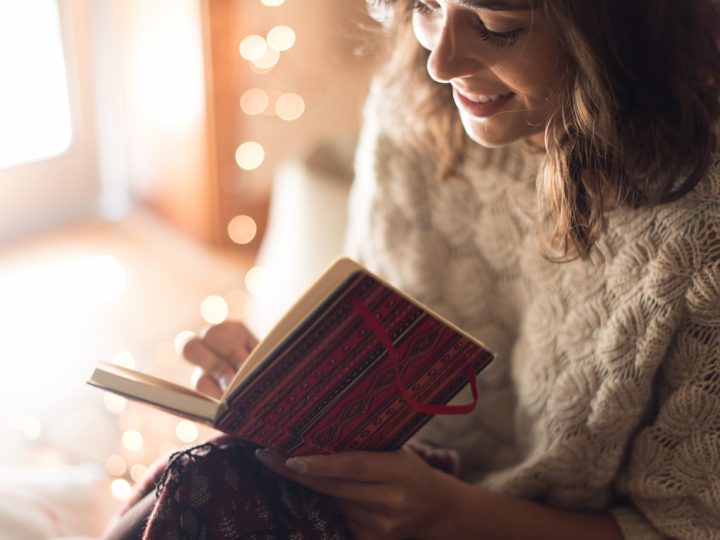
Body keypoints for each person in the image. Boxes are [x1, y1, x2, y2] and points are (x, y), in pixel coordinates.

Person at [106, 0, 720, 538]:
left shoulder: (698, 237)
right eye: (426, 4)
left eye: (496, 24)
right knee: (204, 480)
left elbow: (685, 528)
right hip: (389, 483)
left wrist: (449, 516)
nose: (440, 62)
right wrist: (287, 387)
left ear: (619, 27)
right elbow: (376, 334)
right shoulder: (412, 108)